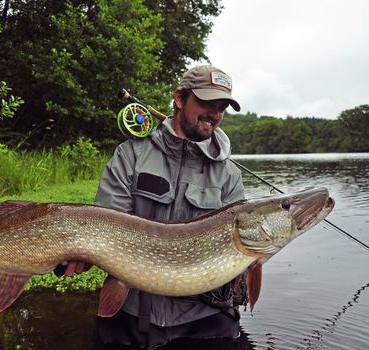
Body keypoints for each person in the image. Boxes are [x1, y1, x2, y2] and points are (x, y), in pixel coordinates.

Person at [65, 65, 248, 349]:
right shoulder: (131, 155)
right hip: (131, 316)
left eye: (222, 106)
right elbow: (104, 225)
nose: (215, 113)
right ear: (179, 98)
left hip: (205, 322)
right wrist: (77, 253)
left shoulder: (229, 176)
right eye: (206, 102)